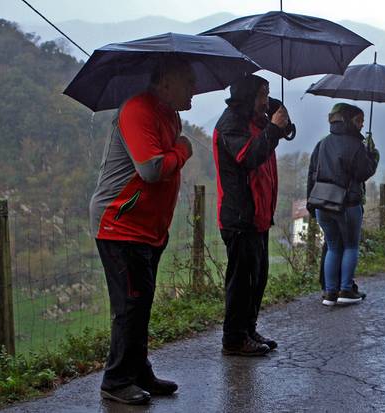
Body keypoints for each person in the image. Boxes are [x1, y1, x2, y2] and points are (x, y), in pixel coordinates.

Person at [89, 58, 194, 405]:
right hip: (120, 224)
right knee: (130, 305)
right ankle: (117, 381)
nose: (193, 88)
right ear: (165, 82)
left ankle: (138, 369)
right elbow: (151, 169)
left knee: (141, 303)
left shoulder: (168, 114)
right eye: (187, 81)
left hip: (147, 229)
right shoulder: (137, 110)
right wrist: (183, 149)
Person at [213, 74, 290, 356]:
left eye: (268, 94)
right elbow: (248, 155)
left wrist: (279, 118)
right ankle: (234, 338)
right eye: (262, 95)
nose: (265, 100)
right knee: (242, 281)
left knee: (257, 277)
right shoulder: (231, 123)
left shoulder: (253, 120)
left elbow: (279, 135)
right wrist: (273, 128)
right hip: (239, 215)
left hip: (258, 213)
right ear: (247, 96)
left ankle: (248, 328)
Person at [307, 103, 379, 306]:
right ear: (349, 120)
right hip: (347, 204)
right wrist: (372, 155)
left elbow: (312, 174)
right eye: (359, 120)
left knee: (333, 246)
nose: (362, 124)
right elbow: (363, 172)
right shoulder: (355, 145)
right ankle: (346, 290)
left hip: (322, 203)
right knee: (350, 246)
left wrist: (310, 204)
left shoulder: (322, 144)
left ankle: (330, 293)